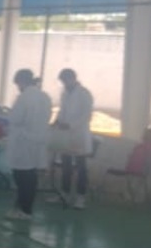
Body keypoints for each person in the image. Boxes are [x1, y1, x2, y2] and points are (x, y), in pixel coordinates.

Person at [6, 69, 53, 221]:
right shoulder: (45, 96)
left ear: (21, 82)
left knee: (22, 176)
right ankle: (24, 208)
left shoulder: (24, 97)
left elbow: (16, 119)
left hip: (23, 141)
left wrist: (8, 115)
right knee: (31, 175)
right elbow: (47, 117)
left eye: (17, 84)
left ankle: (25, 210)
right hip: (38, 140)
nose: (17, 87)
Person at [54, 68, 94, 210]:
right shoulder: (65, 94)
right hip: (66, 136)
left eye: (65, 80)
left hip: (79, 135)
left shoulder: (84, 94)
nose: (64, 84)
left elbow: (87, 116)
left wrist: (70, 125)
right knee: (66, 166)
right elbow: (62, 111)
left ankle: (80, 197)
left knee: (81, 167)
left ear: (73, 78)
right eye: (62, 81)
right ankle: (64, 194)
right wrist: (57, 122)